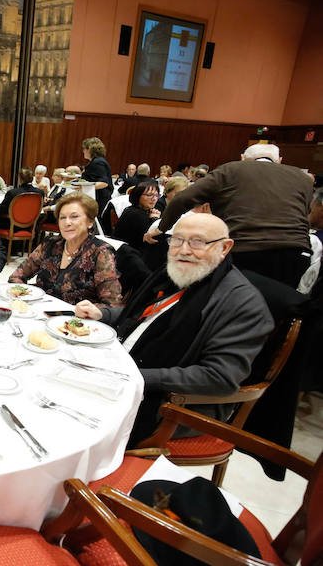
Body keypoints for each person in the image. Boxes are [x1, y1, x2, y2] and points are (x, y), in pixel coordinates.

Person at [75, 214, 273, 445]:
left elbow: (220, 378)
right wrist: (103, 314)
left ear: (224, 247)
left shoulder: (241, 303)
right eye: (177, 240)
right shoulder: (178, 275)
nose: (184, 250)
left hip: (172, 404)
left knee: (73, 417)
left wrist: (132, 376)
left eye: (197, 242)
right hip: (124, 367)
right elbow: (145, 316)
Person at [145, 143, 313, 288]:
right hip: (297, 254)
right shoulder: (303, 178)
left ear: (242, 158)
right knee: (278, 309)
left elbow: (182, 199)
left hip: (245, 251)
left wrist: (160, 229)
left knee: (229, 305)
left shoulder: (231, 169)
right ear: (279, 160)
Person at [9, 192, 122, 307]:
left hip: (74, 321)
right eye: (62, 217)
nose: (67, 223)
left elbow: (112, 304)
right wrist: (21, 294)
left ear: (90, 222)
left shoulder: (100, 252)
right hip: (37, 312)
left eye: (74, 217)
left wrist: (92, 311)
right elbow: (17, 276)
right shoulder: (50, 244)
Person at [113, 181, 161, 250]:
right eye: (149, 195)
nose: (154, 199)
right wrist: (154, 219)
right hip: (129, 255)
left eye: (157, 195)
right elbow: (152, 239)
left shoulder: (140, 210)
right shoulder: (136, 214)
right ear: (137, 196)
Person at [80, 137, 112, 213]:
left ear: (90, 149)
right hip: (96, 198)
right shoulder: (96, 161)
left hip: (99, 200)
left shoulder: (98, 162)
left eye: (84, 148)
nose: (83, 151)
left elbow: (103, 183)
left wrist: (83, 186)